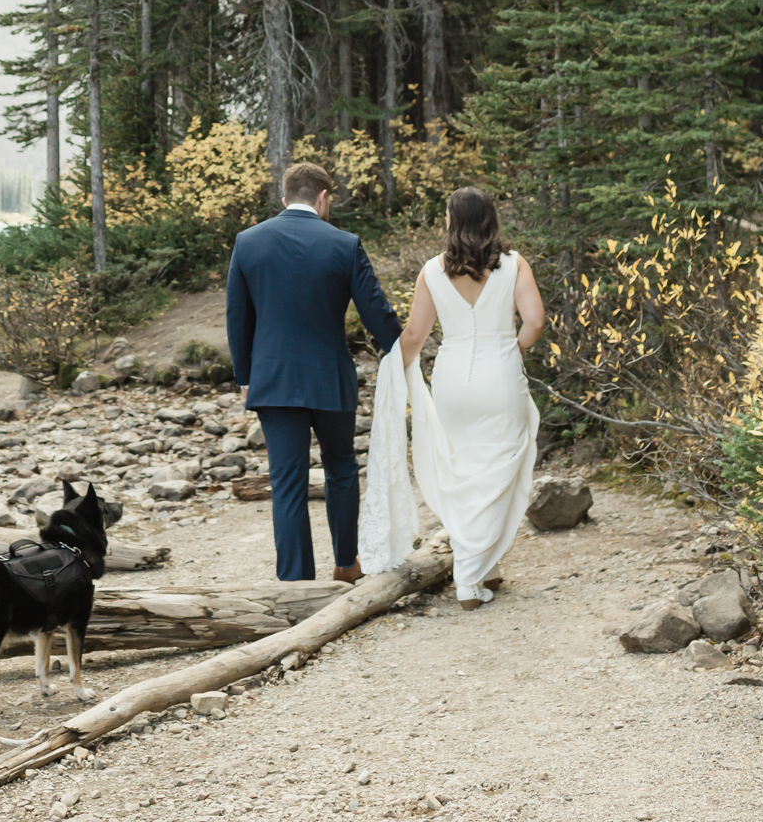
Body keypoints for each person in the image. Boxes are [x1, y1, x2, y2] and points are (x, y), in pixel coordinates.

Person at [361, 186, 544, 607]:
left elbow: (414, 336)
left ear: (452, 221)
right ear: (489, 220)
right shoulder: (514, 265)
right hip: (500, 375)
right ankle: (468, 578)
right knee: (500, 468)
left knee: (463, 470)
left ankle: (486, 567)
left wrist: (392, 371)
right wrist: (514, 348)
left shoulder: (431, 271)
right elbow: (535, 321)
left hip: (451, 380)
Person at [226, 161, 401, 583]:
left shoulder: (248, 242)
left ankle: (296, 583)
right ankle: (346, 564)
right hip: (329, 377)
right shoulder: (344, 244)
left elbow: (237, 316)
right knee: (341, 468)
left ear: (285, 198)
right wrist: (403, 350)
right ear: (323, 198)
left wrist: (247, 376)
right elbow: (375, 312)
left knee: (287, 484)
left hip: (273, 379)